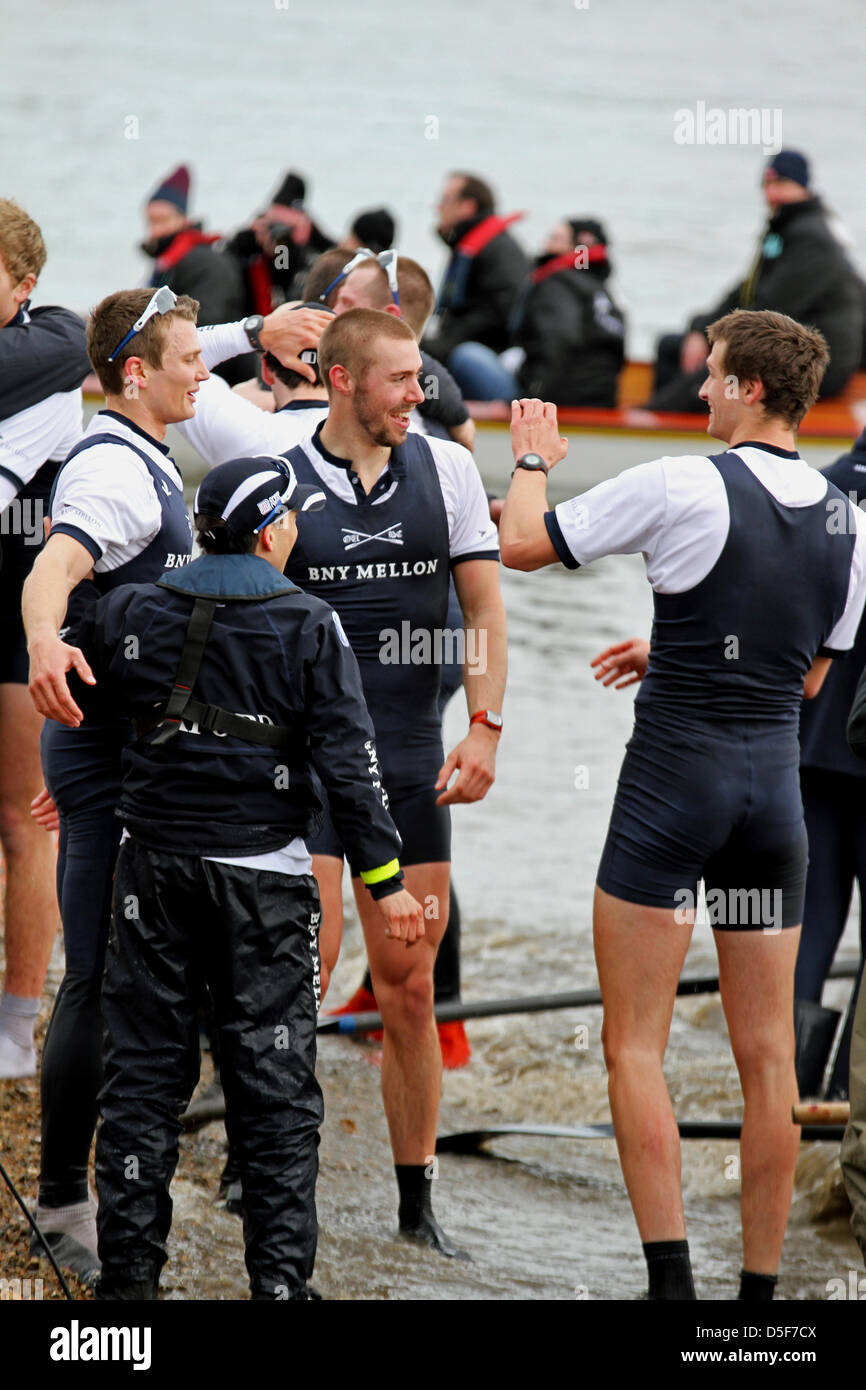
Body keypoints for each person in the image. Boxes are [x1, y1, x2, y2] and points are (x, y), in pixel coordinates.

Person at [498, 308, 866, 1300]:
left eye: (708, 377)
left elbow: (521, 548)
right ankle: (753, 1302)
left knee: (631, 1044)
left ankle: (669, 1292)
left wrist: (532, 458)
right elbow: (800, 682)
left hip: (671, 795)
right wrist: (684, 652)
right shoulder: (850, 525)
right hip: (770, 811)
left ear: (748, 387)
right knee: (766, 1059)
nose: (695, 391)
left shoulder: (678, 482)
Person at [22, 286, 328, 1280]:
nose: (210, 372)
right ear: (138, 374)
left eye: (209, 354)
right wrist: (39, 644)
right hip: (109, 753)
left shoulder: (146, 448)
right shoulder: (113, 469)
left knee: (136, 980)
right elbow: (54, 569)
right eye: (193, 359)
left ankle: (118, 1183)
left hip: (123, 753)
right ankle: (67, 1199)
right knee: (99, 979)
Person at [64, 453, 421, 1300]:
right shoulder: (309, 623)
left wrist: (74, 795)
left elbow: (72, 678)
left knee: (145, 1082)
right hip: (262, 885)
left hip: (149, 870)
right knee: (275, 1090)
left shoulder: (131, 607)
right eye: (292, 518)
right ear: (271, 529)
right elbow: (352, 767)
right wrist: (388, 882)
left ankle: (128, 1295)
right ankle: (280, 1289)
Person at [284, 307, 506, 1253]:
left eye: (421, 377)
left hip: (414, 762)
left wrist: (486, 726)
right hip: (305, 770)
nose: (421, 394)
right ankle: (265, 1177)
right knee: (296, 978)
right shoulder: (284, 477)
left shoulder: (447, 469)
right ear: (341, 380)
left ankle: (418, 1211)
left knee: (410, 990)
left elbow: (484, 603)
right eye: (402, 380)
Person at [0, 200, 88, 1079]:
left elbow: (77, 340)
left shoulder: (55, 358)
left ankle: (17, 1022)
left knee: (25, 822)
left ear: (23, 288)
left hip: (20, 602)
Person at [649, 150, 864, 412]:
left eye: (782, 184)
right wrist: (700, 329)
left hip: (816, 365)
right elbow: (747, 290)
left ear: (803, 187)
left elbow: (770, 309)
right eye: (767, 185)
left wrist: (715, 340)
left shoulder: (813, 238)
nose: (772, 194)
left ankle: (656, 418)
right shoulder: (784, 229)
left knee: (703, 380)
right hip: (784, 347)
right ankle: (674, 424)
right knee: (672, 347)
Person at [794, 425, 866, 1100]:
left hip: (810, 744)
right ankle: (848, 1096)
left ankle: (786, 1095)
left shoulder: (812, 493)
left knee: (809, 928)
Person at [421, 173, 528, 401]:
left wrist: (443, 345)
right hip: (467, 344)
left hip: (487, 356)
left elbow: (502, 313)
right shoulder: (477, 245)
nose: (437, 207)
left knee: (428, 356)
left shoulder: (500, 250)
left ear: (467, 207)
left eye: (446, 199)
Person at [510, 217, 626, 407]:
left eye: (555, 239)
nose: (545, 244)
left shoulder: (557, 284)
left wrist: (533, 396)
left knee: (468, 356)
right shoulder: (602, 291)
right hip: (602, 398)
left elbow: (560, 341)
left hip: (561, 397)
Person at [142, 165, 246, 332]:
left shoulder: (204, 262)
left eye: (162, 220)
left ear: (183, 219)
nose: (154, 230)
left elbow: (208, 321)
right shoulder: (172, 259)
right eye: (150, 221)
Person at [226, 170, 334, 317]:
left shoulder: (311, 246)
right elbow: (227, 255)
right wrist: (250, 240)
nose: (278, 234)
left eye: (288, 228)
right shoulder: (248, 243)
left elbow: (282, 271)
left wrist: (290, 245)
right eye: (275, 224)